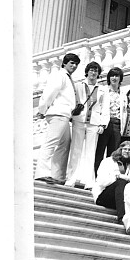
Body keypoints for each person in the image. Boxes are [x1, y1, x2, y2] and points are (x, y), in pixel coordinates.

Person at [34, 52, 80, 184]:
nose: (74, 66)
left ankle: (57, 175)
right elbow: (50, 93)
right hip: (58, 113)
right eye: (71, 63)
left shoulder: (68, 77)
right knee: (51, 142)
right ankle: (41, 172)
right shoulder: (59, 75)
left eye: (76, 64)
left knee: (65, 144)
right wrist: (42, 109)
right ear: (65, 63)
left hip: (65, 115)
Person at [65, 61, 109, 190]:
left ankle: (88, 181)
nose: (93, 73)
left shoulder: (102, 89)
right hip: (79, 120)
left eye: (96, 71)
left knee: (90, 152)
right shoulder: (79, 85)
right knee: (75, 150)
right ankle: (71, 178)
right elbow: (72, 101)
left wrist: (103, 124)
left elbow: (105, 107)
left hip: (94, 123)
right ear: (87, 71)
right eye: (91, 70)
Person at [93, 140, 130, 221]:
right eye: (125, 149)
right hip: (103, 196)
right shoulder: (108, 161)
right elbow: (101, 182)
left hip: (120, 199)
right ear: (120, 150)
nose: (127, 151)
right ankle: (122, 218)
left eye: (129, 150)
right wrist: (118, 177)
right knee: (121, 182)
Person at [94, 67, 127, 172]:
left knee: (113, 153)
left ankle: (109, 175)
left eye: (117, 76)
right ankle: (96, 175)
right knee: (99, 151)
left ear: (120, 78)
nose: (114, 78)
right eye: (112, 75)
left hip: (117, 124)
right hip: (105, 123)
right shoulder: (103, 90)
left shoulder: (123, 94)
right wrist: (100, 124)